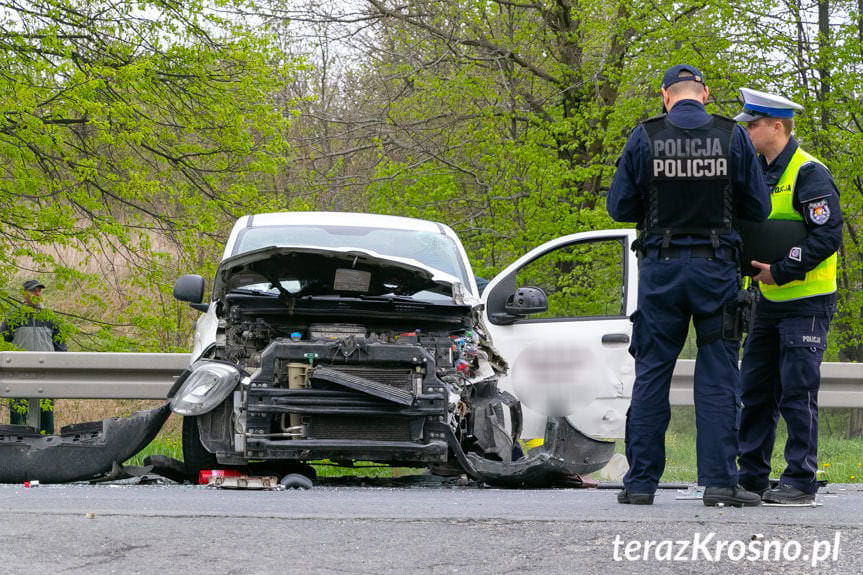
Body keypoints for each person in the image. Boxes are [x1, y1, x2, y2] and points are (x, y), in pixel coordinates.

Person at [607, 65, 771, 506]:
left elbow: (619, 208)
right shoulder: (731, 136)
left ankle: (640, 485)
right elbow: (759, 206)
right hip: (716, 271)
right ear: (705, 94)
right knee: (718, 376)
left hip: (660, 272)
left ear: (665, 96)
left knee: (653, 374)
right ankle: (719, 482)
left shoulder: (644, 136)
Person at [734, 88, 843, 505]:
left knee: (797, 391)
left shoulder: (808, 171)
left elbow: (828, 235)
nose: (746, 131)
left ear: (776, 126)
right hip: (768, 301)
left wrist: (781, 271)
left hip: (807, 300)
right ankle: (752, 477)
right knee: (756, 389)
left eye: (753, 124)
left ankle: (800, 479)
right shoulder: (758, 172)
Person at [1, 279, 67, 433]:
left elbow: (61, 347)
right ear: (24, 294)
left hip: (45, 373)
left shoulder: (50, 318)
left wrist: (60, 370)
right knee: (19, 413)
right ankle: (18, 445)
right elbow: (2, 342)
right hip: (19, 373)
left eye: (39, 290)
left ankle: (47, 443)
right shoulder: (14, 317)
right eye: (33, 291)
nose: (37, 293)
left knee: (46, 414)